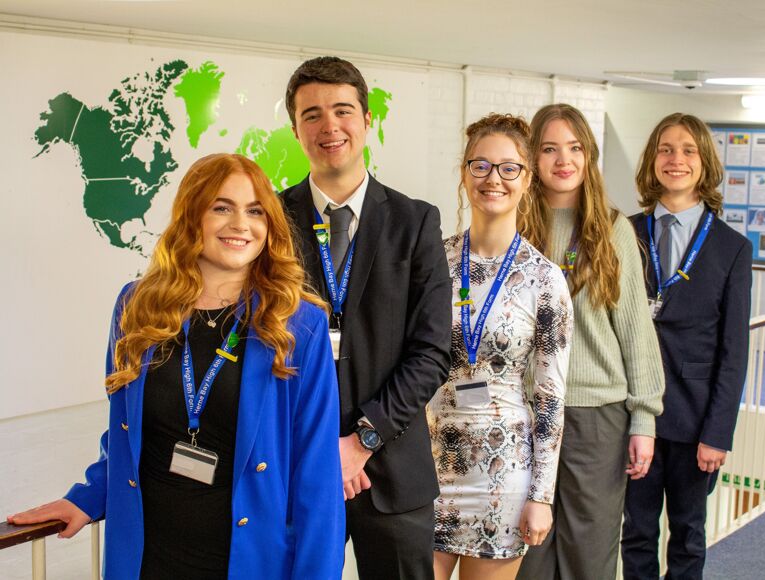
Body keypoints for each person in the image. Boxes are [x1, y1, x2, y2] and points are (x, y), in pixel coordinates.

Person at [7, 153, 344, 579]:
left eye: (255, 210)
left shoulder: (297, 323)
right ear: (191, 215)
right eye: (222, 207)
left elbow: (317, 474)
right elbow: (128, 431)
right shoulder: (137, 305)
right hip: (149, 556)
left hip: (245, 559)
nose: (241, 224)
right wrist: (89, 496)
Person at [280, 56, 452, 580]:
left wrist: (359, 442)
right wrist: (320, 449)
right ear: (294, 128)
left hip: (393, 470)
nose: (329, 126)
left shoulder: (415, 221)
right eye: (312, 114)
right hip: (293, 469)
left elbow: (431, 353)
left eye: (342, 110)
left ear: (367, 118)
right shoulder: (271, 220)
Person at [516, 104, 664, 580]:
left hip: (595, 414)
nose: (564, 160)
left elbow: (636, 334)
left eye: (575, 148)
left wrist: (644, 418)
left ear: (589, 155)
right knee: (527, 549)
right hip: (525, 408)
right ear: (533, 158)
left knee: (589, 551)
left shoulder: (612, 229)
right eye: (550, 148)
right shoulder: (515, 226)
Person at [427, 113, 573, 580]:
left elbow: (550, 396)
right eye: (481, 165)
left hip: (502, 472)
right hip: (427, 464)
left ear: (527, 179)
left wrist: (541, 495)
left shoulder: (545, 279)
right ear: (464, 173)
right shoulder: (432, 261)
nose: (494, 179)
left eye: (509, 168)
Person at [622, 113, 752, 580]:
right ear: (652, 160)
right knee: (635, 534)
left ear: (705, 163)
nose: (675, 159)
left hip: (696, 422)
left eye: (687, 150)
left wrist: (719, 432)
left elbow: (734, 350)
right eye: (665, 149)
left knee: (688, 536)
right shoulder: (624, 233)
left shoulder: (732, 247)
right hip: (635, 415)